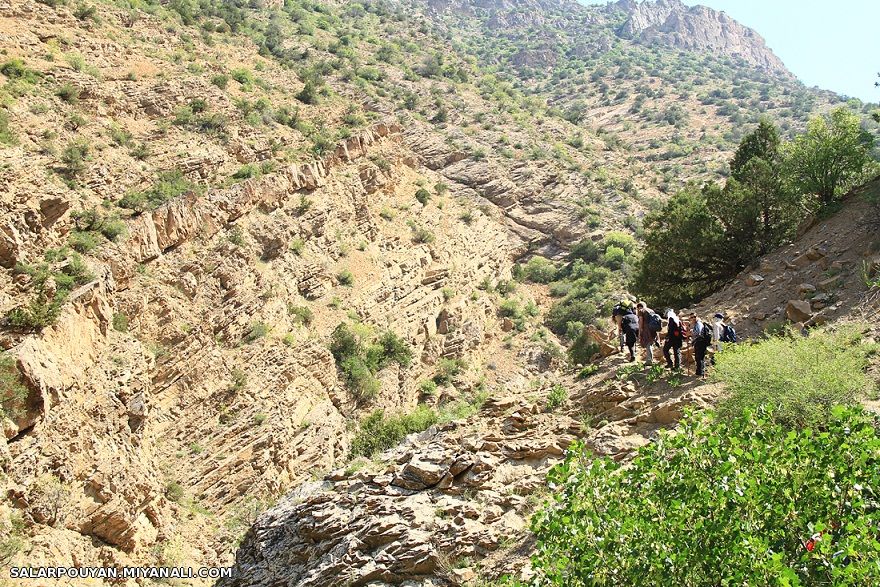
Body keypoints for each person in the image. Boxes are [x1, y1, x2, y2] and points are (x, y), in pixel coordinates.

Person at [690, 312, 711, 377]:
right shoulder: (696, 324)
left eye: (694, 317)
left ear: (697, 316)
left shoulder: (698, 324)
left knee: (699, 357)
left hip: (700, 342)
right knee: (699, 357)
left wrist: (691, 333)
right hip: (699, 342)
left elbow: (698, 333)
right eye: (692, 317)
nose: (693, 318)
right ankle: (700, 371)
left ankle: (700, 372)